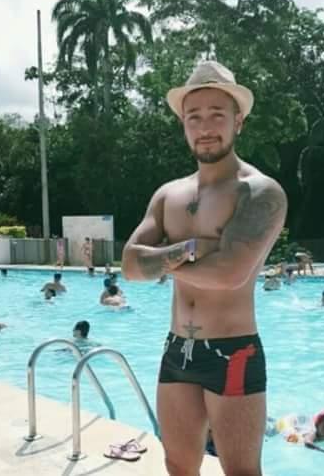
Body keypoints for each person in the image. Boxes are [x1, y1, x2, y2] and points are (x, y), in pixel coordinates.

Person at [122, 61, 287, 476]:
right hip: (176, 350)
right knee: (178, 464)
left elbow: (230, 274)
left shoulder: (260, 192)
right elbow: (129, 266)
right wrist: (198, 248)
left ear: (238, 121)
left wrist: (161, 260)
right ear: (184, 124)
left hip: (234, 352)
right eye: (194, 116)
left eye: (217, 114)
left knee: (241, 471)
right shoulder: (168, 195)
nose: (205, 126)